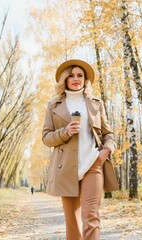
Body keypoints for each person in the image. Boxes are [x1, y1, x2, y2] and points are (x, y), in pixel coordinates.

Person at [42, 59, 116, 240]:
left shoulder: (95, 104)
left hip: (93, 164)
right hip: (66, 168)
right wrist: (65, 132)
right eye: (72, 75)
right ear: (65, 80)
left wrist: (106, 151)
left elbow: (109, 134)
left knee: (91, 217)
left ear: (85, 80)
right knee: (72, 222)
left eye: (80, 75)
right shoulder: (54, 106)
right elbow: (46, 138)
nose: (76, 79)